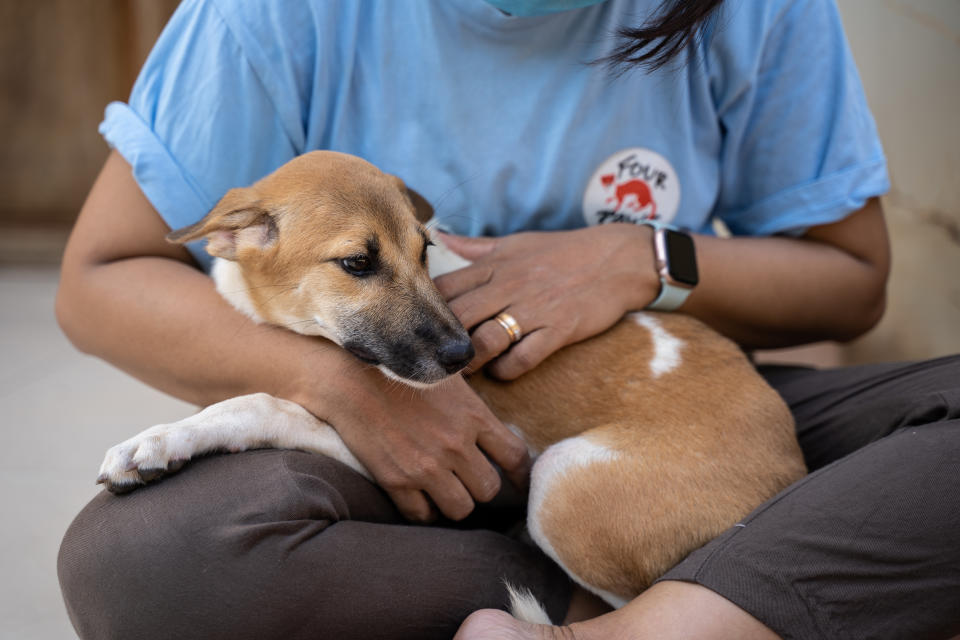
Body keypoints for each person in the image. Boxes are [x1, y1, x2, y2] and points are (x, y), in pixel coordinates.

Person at [55, 0, 960, 638]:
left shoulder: (755, 8)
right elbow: (98, 279)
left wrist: (645, 258)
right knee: (143, 558)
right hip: (433, 467)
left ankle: (644, 625)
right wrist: (343, 391)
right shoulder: (275, 14)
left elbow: (853, 283)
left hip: (673, 419)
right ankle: (750, 603)